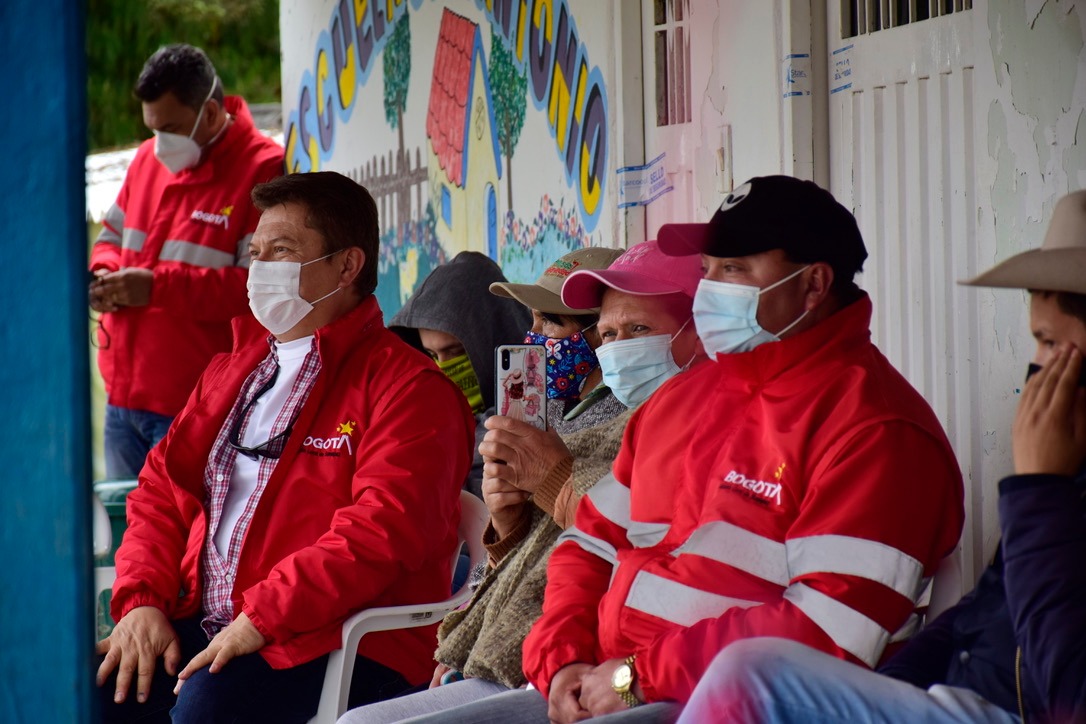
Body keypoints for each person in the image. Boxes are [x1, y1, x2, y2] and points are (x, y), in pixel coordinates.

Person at [418, 175, 965, 724]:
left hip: (721, 704)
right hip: (603, 685)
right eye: (708, 270)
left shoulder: (879, 430)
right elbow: (589, 545)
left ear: (814, 284)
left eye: (735, 269)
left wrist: (635, 677)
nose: (712, 289)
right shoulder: (680, 400)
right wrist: (560, 663)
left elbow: (827, 633)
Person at [673, 188, 1086, 724]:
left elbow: (1069, 692)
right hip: (946, 697)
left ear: (814, 284)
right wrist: (884, 692)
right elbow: (977, 618)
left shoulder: (882, 427)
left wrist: (1038, 492)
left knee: (746, 678)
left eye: (1052, 345)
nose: (1038, 373)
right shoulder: (704, 395)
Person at [95, 172, 475, 724]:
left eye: (282, 250)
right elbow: (159, 489)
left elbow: (380, 531)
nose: (260, 268)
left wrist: (261, 617)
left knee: (205, 710)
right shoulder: (234, 369)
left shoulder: (413, 389)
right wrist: (142, 602)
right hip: (209, 618)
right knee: (91, 694)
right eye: (256, 252)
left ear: (348, 266)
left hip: (341, 637)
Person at [337, 240, 705, 724]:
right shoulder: (567, 415)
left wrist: (550, 480)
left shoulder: (666, 421)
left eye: (551, 321)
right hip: (539, 654)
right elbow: (565, 556)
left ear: (695, 334)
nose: (534, 336)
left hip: (604, 666)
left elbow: (628, 543)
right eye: (612, 332)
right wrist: (507, 525)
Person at [89, 44, 284, 479]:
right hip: (122, 401)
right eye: (153, 129)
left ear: (211, 113)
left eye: (171, 129)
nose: (160, 144)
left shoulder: (264, 170)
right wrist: (101, 272)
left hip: (194, 407)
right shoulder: (145, 160)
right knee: (126, 539)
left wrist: (157, 287)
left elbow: (257, 289)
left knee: (182, 541)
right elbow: (111, 237)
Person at [388, 251, 532, 498]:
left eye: (455, 352)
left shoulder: (536, 410)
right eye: (432, 355)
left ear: (492, 340)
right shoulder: (413, 419)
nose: (443, 367)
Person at [490, 247, 624, 435]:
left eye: (547, 321)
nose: (532, 336)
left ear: (604, 330)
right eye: (533, 319)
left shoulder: (623, 416)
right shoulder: (547, 402)